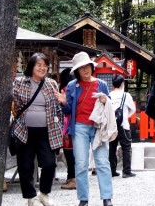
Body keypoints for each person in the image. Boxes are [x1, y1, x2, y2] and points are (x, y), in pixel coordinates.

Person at [60, 52, 115, 206]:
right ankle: (83, 198)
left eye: (87, 66)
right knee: (81, 163)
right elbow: (68, 111)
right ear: (77, 71)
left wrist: (105, 100)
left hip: (98, 127)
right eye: (81, 68)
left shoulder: (101, 84)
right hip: (79, 127)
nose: (85, 70)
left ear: (91, 66)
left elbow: (109, 106)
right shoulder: (72, 86)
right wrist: (64, 103)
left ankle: (107, 197)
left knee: (102, 162)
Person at [12, 52, 64, 206]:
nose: (42, 68)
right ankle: (31, 197)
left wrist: (60, 122)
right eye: (39, 65)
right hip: (25, 130)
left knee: (49, 163)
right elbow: (13, 102)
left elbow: (58, 107)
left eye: (45, 65)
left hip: (47, 131)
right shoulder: (20, 82)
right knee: (25, 164)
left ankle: (44, 193)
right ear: (32, 66)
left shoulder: (51, 84)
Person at [109, 75, 137, 178]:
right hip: (123, 125)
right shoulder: (126, 95)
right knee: (126, 147)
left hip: (111, 126)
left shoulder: (109, 95)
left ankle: (112, 170)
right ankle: (126, 171)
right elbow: (133, 109)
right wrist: (125, 116)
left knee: (112, 148)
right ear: (122, 84)